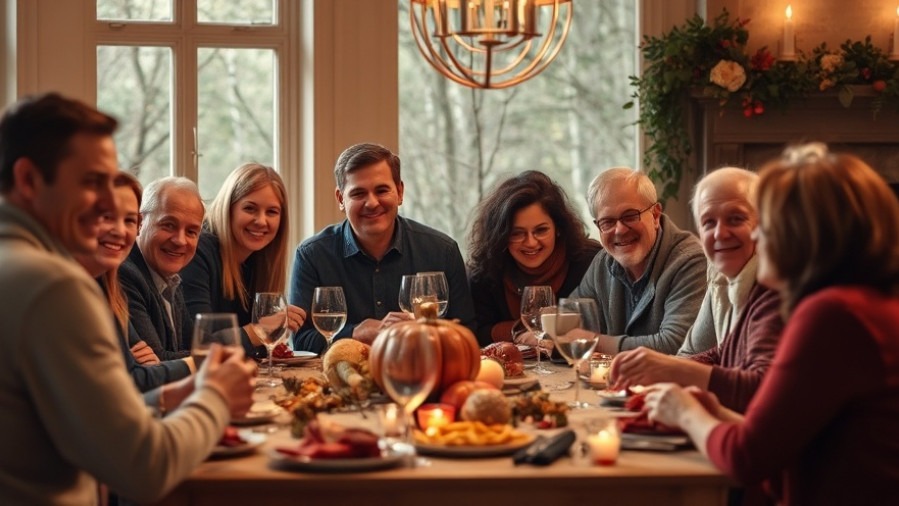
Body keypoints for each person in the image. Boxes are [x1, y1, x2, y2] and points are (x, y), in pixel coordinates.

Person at [0, 92, 256, 504]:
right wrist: (215, 396)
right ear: (29, 180)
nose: (108, 204)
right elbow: (145, 469)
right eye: (91, 182)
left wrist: (166, 396)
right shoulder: (52, 287)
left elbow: (69, 423)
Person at [644, 143, 899, 505]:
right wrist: (716, 412)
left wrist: (686, 414)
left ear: (805, 233)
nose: (758, 237)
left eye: (768, 223)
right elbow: (793, 433)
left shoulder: (833, 314)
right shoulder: (864, 300)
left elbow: (747, 458)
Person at [610, 167, 782, 412]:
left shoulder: (775, 287)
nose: (720, 233)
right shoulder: (724, 272)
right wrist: (658, 370)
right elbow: (722, 351)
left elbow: (761, 390)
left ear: (765, 222)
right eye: (708, 222)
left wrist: (670, 369)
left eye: (735, 218)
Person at [289, 142, 476, 352]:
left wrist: (426, 332)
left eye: (382, 190)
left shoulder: (443, 251)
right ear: (341, 199)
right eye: (358, 193)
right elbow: (301, 341)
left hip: (422, 373)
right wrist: (355, 333)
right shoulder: (311, 256)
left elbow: (468, 333)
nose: (372, 203)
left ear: (400, 192)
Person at [74, 173, 194, 392]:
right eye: (107, 217)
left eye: (128, 220)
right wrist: (205, 360)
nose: (119, 230)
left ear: (137, 224)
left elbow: (142, 371)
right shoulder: (69, 288)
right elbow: (138, 377)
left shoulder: (106, 284)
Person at [569, 167, 707, 354]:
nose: (619, 230)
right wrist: (536, 329)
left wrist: (591, 341)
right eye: (607, 222)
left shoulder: (691, 260)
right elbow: (568, 318)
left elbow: (675, 345)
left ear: (656, 214)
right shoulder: (603, 261)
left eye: (630, 216)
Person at [181, 163, 306, 359]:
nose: (261, 221)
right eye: (250, 208)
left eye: (272, 212)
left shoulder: (259, 259)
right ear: (228, 208)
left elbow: (254, 352)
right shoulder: (197, 251)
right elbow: (200, 345)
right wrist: (260, 330)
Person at [467, 170, 601, 347]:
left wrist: (544, 333)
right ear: (501, 236)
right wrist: (520, 331)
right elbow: (477, 333)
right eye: (517, 233)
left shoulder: (590, 262)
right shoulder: (486, 271)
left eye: (541, 230)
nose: (530, 242)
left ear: (558, 228)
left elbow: (601, 326)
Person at [120, 177, 205, 361]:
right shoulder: (125, 273)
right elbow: (157, 363)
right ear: (140, 223)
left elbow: (196, 347)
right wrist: (215, 356)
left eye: (191, 232)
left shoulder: (170, 276)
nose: (180, 241)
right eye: (168, 225)